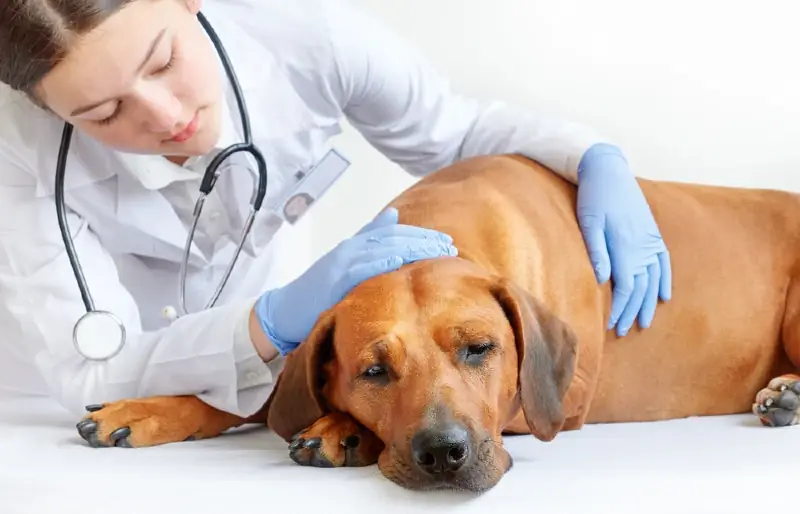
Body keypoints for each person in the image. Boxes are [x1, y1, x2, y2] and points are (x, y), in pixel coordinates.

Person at [0, 0, 671, 419]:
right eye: (103, 112)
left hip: (284, 389)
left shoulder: (308, 35)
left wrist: (592, 156)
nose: (166, 116)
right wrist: (269, 321)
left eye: (164, 61)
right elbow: (91, 369)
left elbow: (455, 135)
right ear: (45, 107)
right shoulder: (21, 152)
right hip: (55, 409)